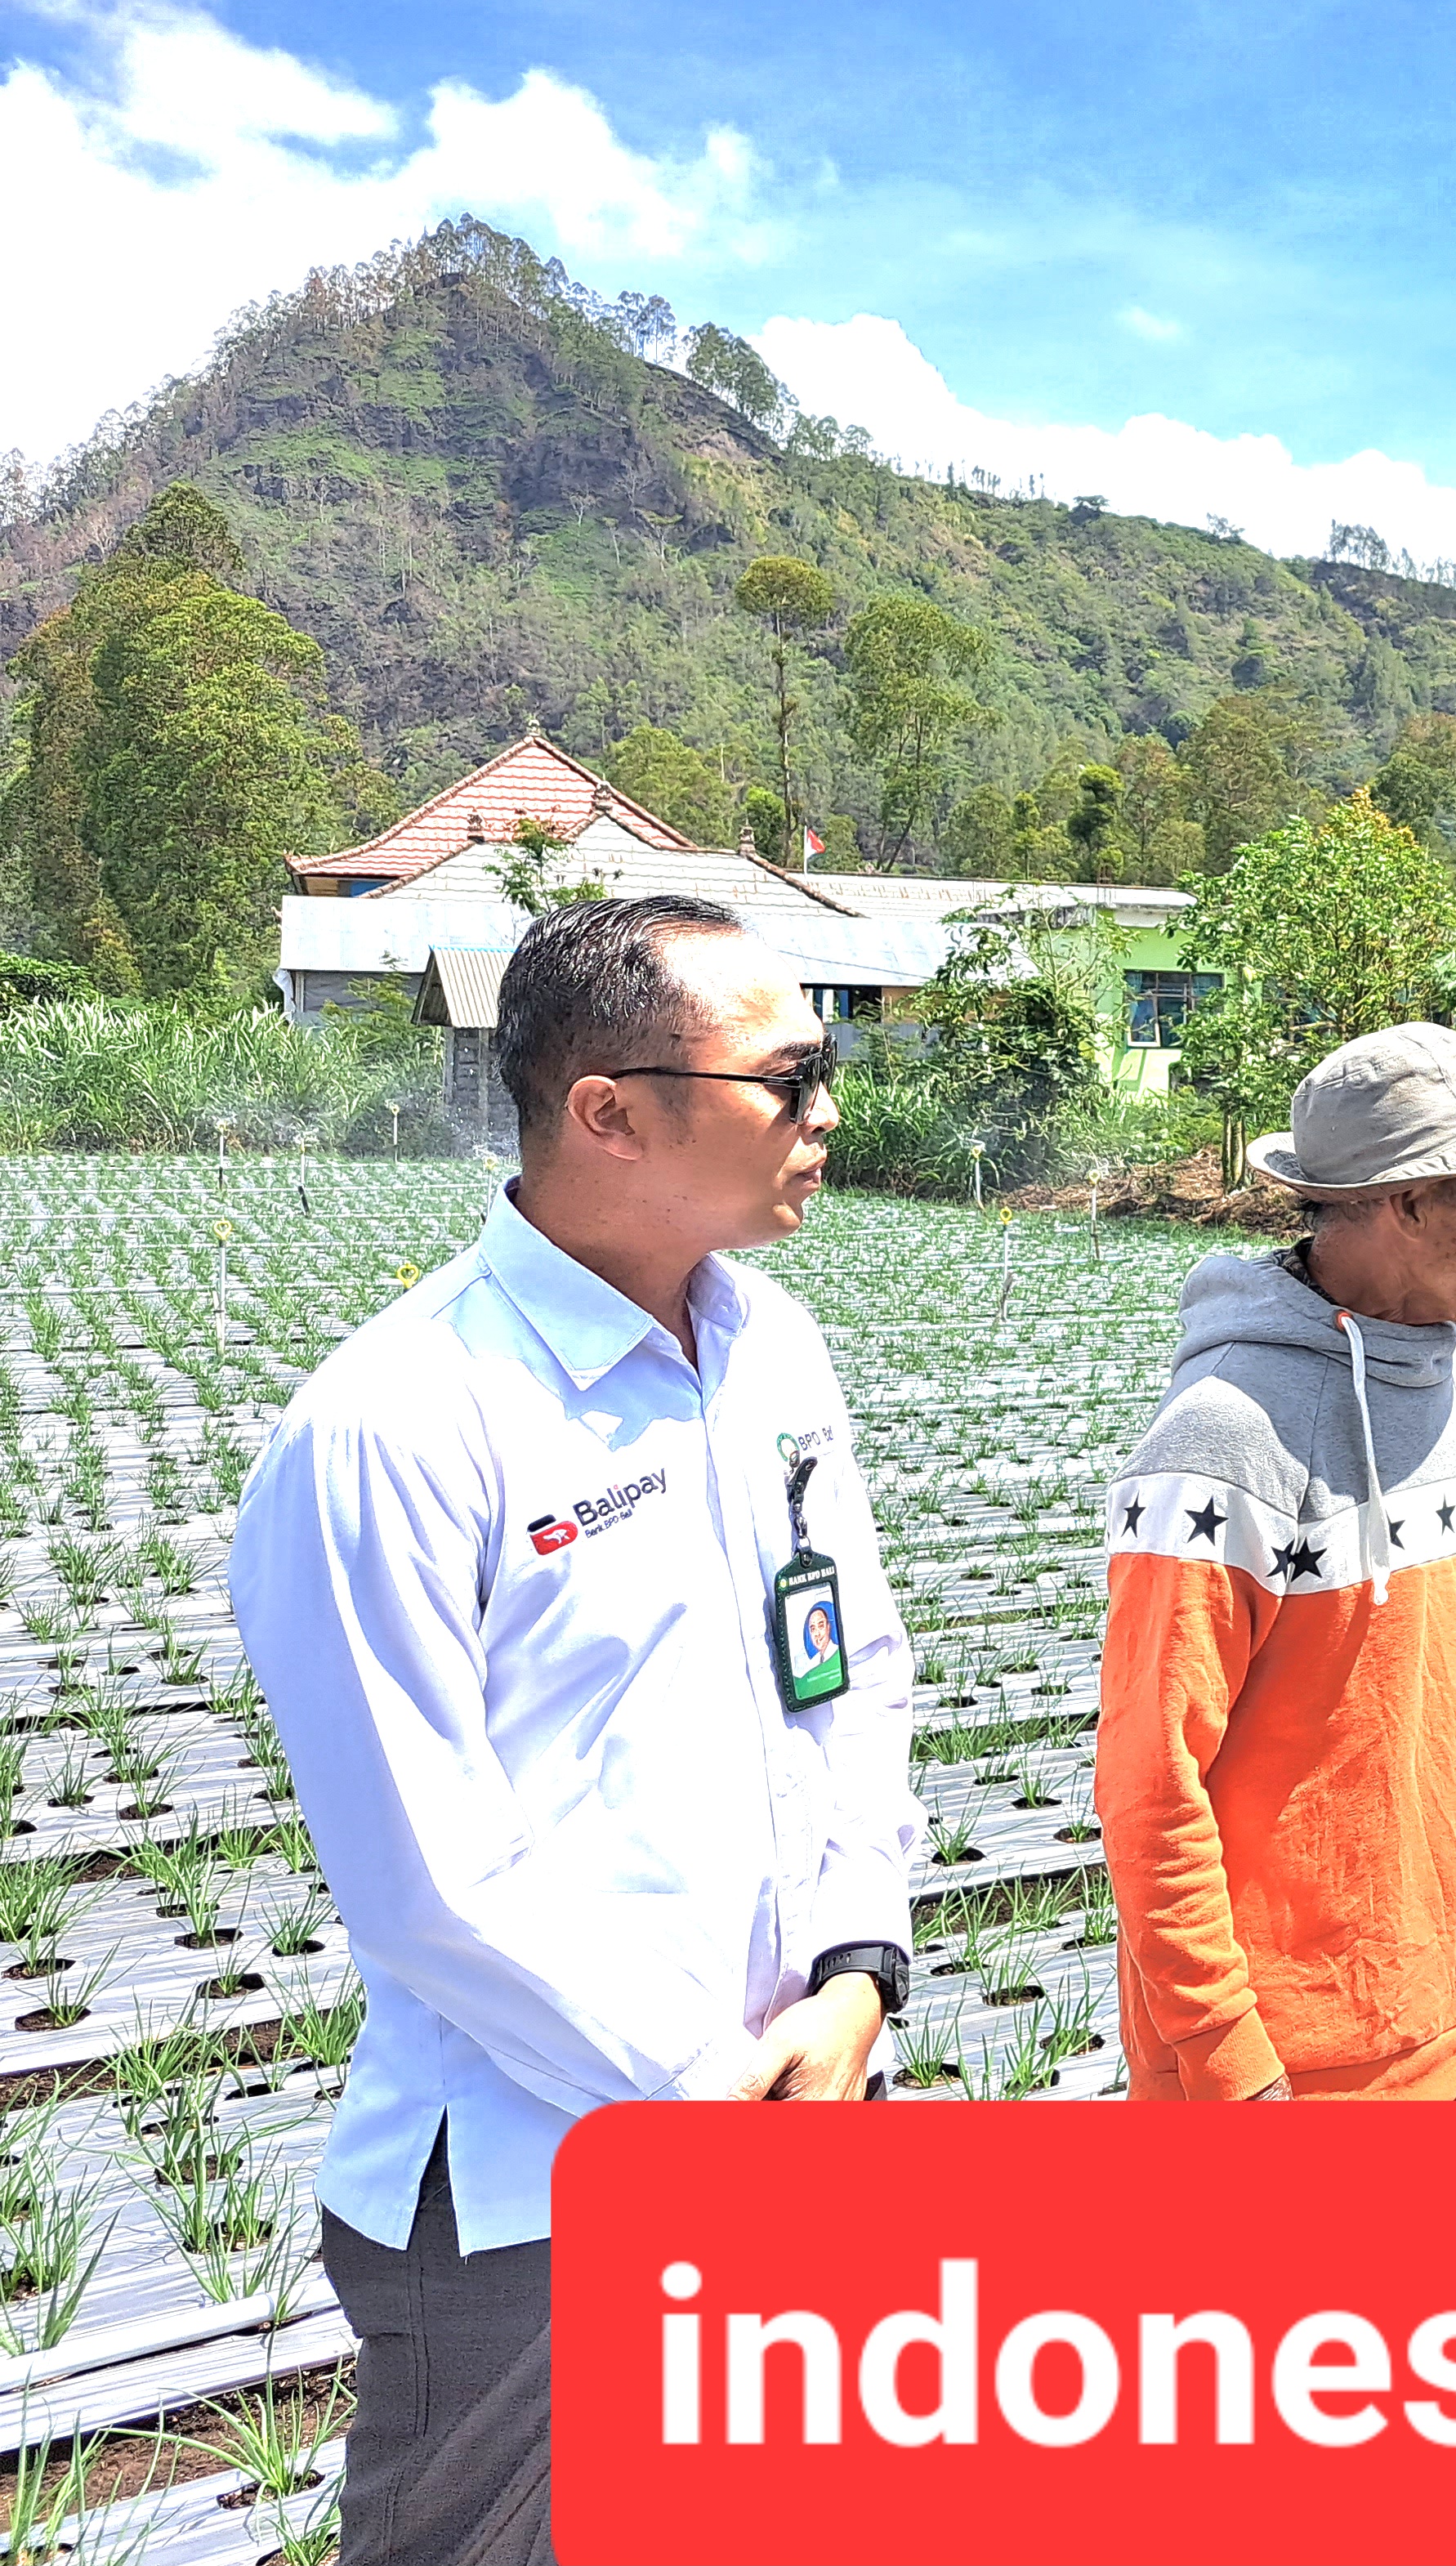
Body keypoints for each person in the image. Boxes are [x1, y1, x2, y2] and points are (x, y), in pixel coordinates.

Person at [231, 896, 920, 2566]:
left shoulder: (770, 1351)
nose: (829, 1112)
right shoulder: (397, 1428)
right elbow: (430, 1884)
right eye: (790, 1074)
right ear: (609, 1112)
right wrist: (718, 2107)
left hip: (805, 2104)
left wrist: (857, 1971)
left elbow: (848, 1673)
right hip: (540, 2201)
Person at [1097, 1021, 1456, 2101]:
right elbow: (1148, 1782)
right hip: (1288, 2075)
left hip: (1448, 2025)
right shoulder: (1223, 1438)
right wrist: (1228, 2056)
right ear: (1406, 1204)